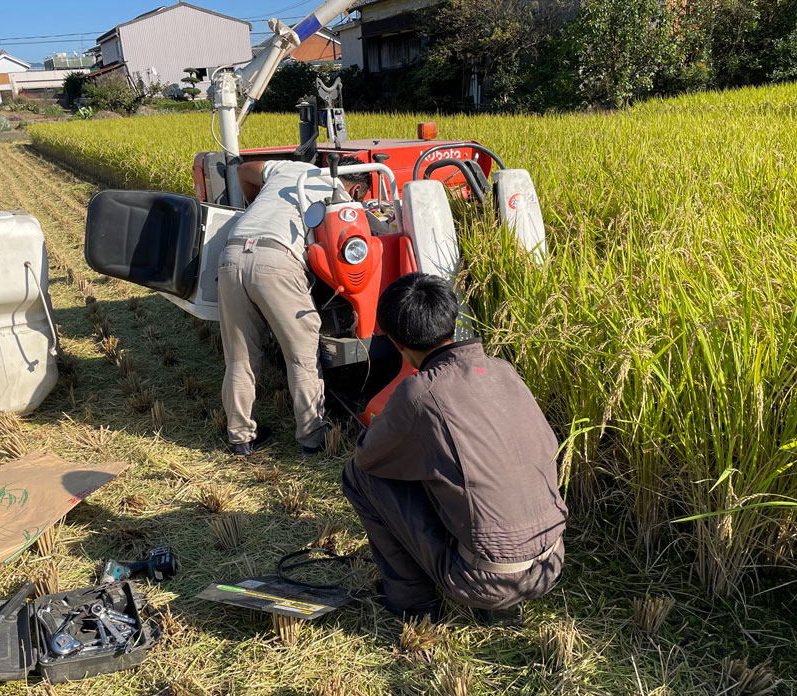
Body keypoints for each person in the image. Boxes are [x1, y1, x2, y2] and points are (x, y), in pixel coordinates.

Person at [342, 273, 567, 625]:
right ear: (452, 320)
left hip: (486, 580)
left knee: (360, 475)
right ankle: (501, 608)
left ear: (399, 344)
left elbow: (370, 456)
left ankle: (412, 603)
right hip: (550, 564)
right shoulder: (503, 371)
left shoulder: (419, 392)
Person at [217, 157, 372, 457]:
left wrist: (255, 203)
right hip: (277, 260)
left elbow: (243, 170)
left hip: (232, 252)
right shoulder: (337, 196)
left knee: (239, 356)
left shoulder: (289, 167)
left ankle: (241, 438)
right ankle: (313, 437)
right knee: (301, 353)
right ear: (355, 191)